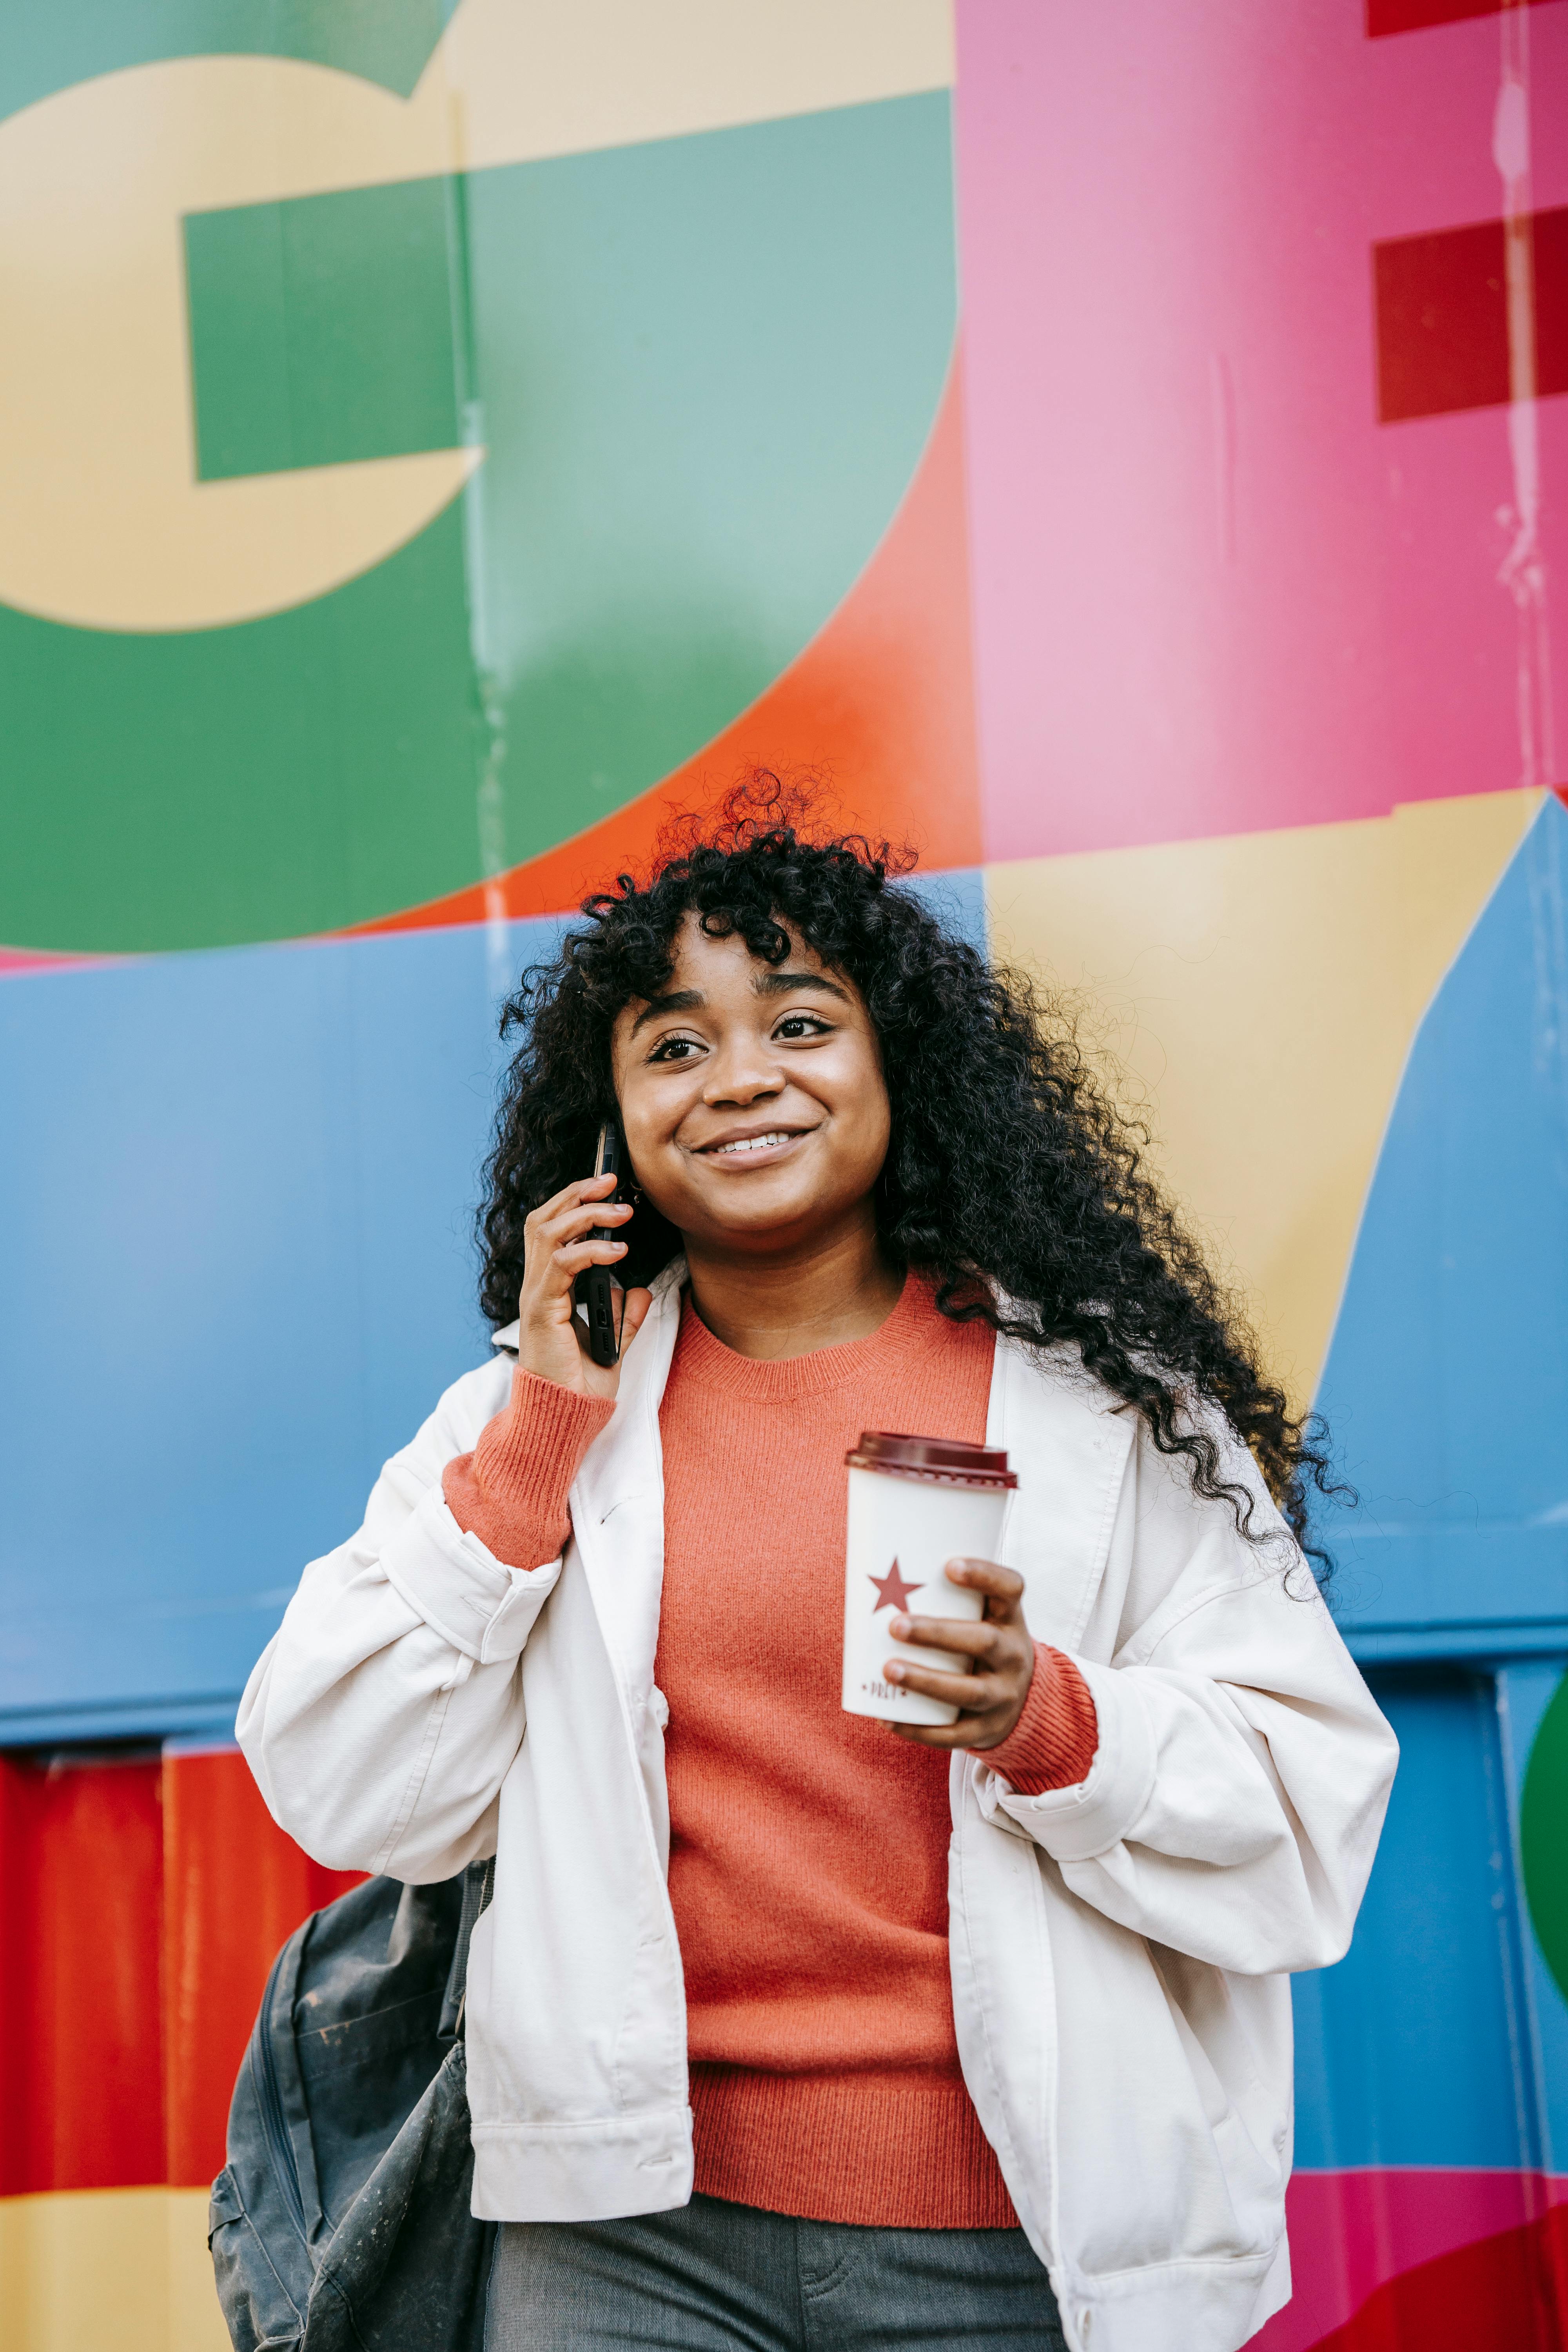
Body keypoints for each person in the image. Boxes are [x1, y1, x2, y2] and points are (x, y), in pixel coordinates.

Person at [238, 791, 1397, 2352]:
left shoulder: (1107, 1413)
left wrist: (1046, 1721)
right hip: (624, 2247)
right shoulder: (532, 1415)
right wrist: (534, 1449)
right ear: (607, 1134)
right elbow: (337, 1774)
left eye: (798, 1021)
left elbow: (1307, 1813)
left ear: (895, 1067)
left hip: (1004, 2240)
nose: (740, 1081)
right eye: (671, 1047)